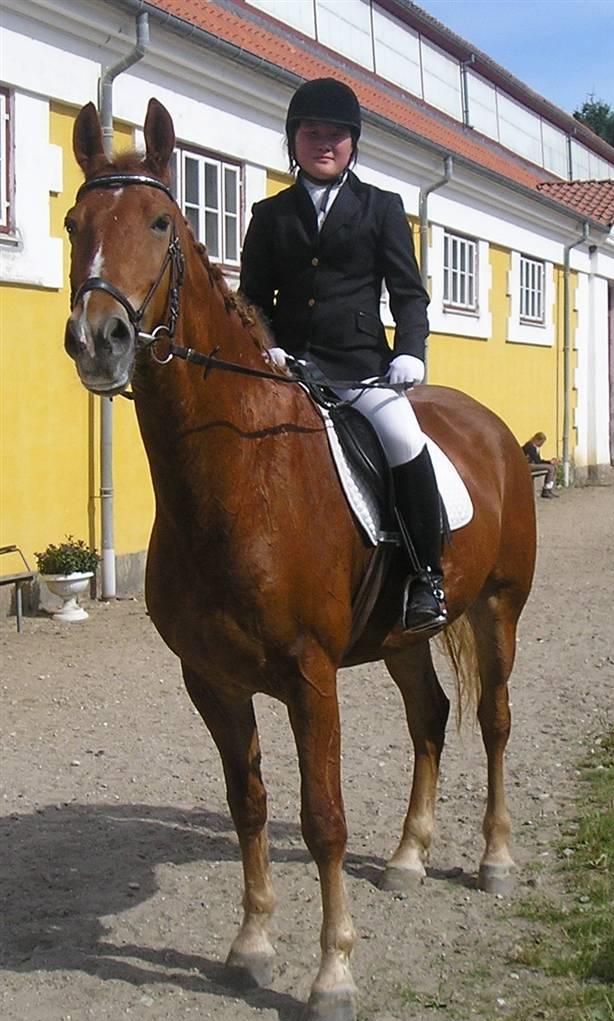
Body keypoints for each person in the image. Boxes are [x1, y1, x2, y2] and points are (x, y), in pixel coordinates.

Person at [239, 77, 447, 632]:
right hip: (287, 369)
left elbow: (408, 294)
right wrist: (267, 344)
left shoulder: (381, 208)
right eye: (312, 133)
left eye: (336, 134)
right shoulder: (270, 214)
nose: (324, 143)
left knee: (402, 437)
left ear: (353, 143)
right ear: (294, 139)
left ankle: (426, 577)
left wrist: (410, 351)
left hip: (360, 369)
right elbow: (252, 297)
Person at [522, 433, 559, 498]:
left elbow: (538, 460)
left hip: (533, 464)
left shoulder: (536, 447)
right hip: (527, 465)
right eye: (542, 442)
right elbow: (537, 461)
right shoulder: (530, 446)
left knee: (553, 467)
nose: (542, 444)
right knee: (551, 468)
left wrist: (550, 462)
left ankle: (549, 489)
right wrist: (549, 462)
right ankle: (546, 491)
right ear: (537, 440)